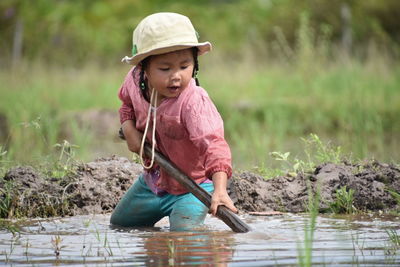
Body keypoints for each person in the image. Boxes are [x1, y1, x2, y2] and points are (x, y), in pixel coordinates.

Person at [110, 12, 237, 231]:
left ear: (195, 65)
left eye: (184, 66)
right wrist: (129, 130)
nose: (176, 76)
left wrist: (219, 191)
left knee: (183, 235)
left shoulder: (194, 102)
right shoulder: (133, 80)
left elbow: (214, 145)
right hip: (154, 182)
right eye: (165, 69)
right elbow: (126, 105)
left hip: (195, 187)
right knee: (120, 224)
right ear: (144, 69)